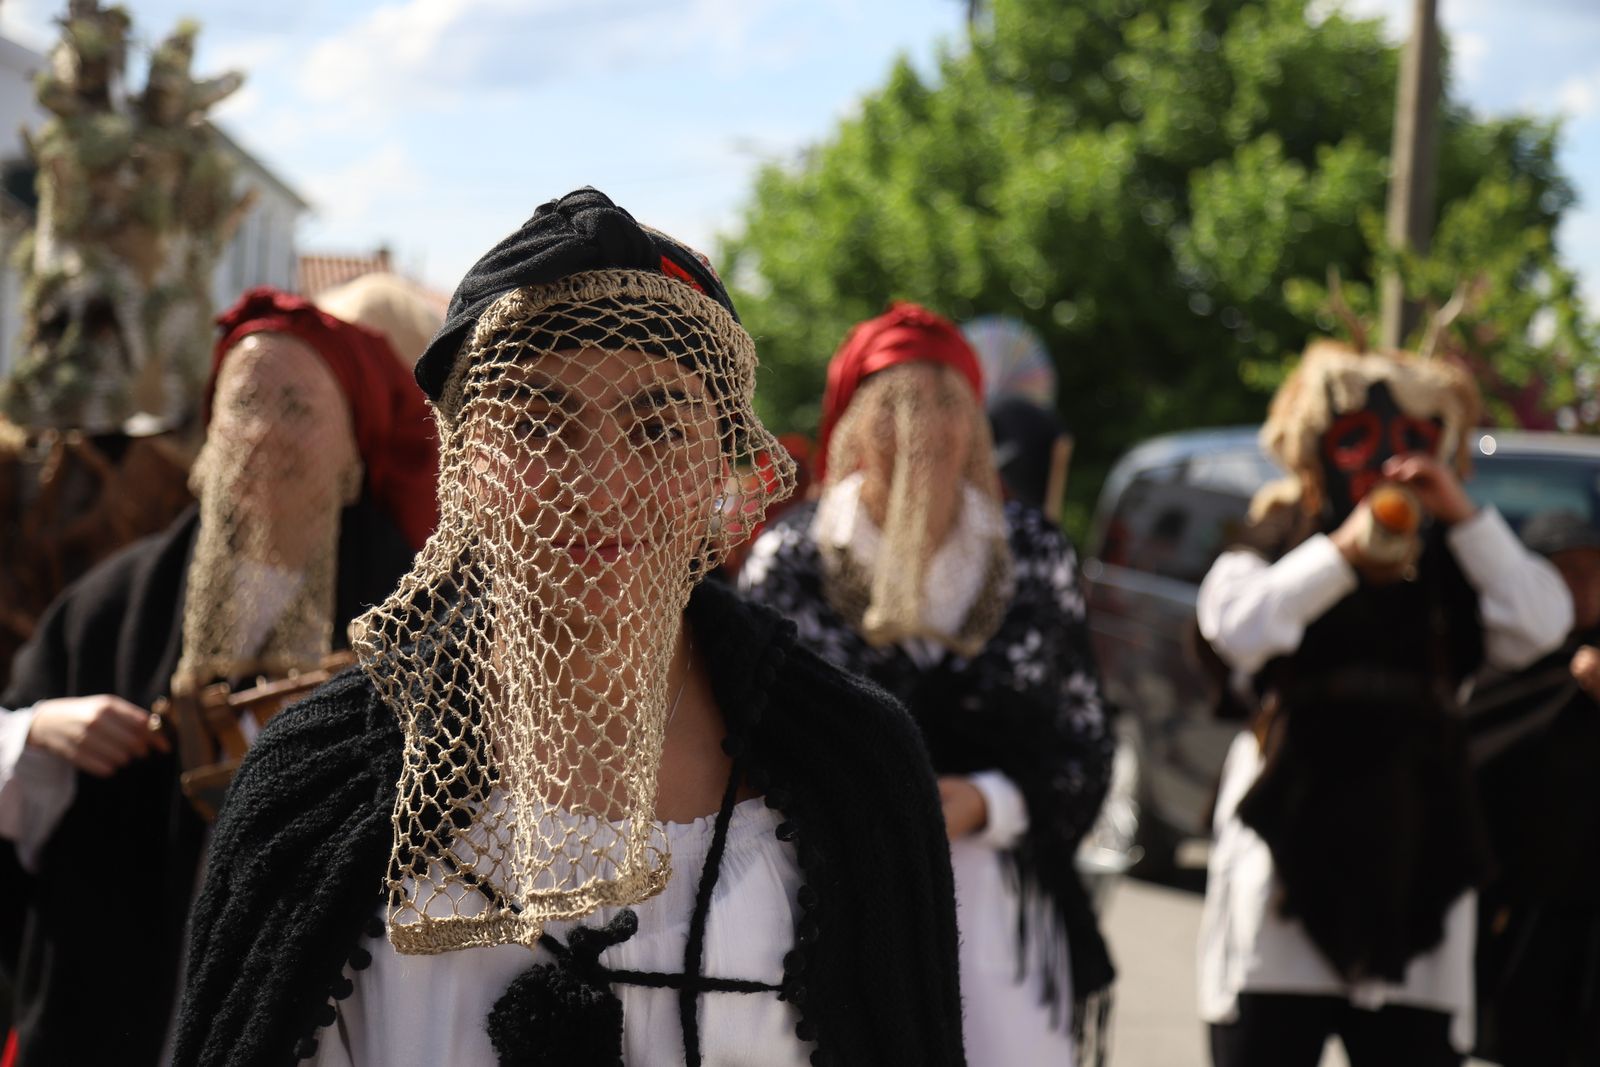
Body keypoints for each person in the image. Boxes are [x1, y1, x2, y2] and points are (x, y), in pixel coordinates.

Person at [172, 189, 966, 1067]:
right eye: (541, 422)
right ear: (465, 460)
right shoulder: (312, 788)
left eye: (659, 425)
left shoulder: (855, 768)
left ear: (722, 459)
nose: (598, 485)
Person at [0, 287, 440, 1065]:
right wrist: (35, 732)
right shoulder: (110, 606)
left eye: (299, 409)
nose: (264, 431)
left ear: (352, 452)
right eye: (243, 402)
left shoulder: (420, 616)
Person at [739, 302, 1115, 1067]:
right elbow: (747, 748)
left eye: (946, 404)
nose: (922, 430)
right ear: (850, 423)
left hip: (1002, 920)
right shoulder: (793, 560)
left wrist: (989, 801)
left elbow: (1084, 742)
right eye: (896, 407)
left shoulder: (1033, 554)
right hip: (831, 913)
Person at [1195, 339, 1572, 1066]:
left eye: (1412, 442)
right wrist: (1343, 551)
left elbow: (1542, 622)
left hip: (1416, 853)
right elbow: (1237, 625)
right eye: (1358, 441)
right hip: (1288, 854)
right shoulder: (1280, 537)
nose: (1384, 460)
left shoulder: (1455, 561)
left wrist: (1459, 512)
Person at [1470, 510, 1600, 1066]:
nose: (1587, 587)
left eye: (1597, 572)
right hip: (1515, 904)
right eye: (1568, 573)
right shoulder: (1502, 661)